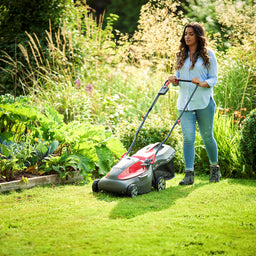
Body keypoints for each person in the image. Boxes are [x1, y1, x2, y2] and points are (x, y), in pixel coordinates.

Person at [168, 22, 221, 185]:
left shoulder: (209, 54)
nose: (187, 37)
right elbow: (178, 79)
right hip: (184, 104)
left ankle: (215, 169)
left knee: (207, 137)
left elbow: (214, 79)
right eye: (185, 34)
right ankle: (189, 174)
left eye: (191, 33)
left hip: (204, 103)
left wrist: (201, 83)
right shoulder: (180, 55)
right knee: (188, 138)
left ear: (198, 36)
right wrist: (173, 80)